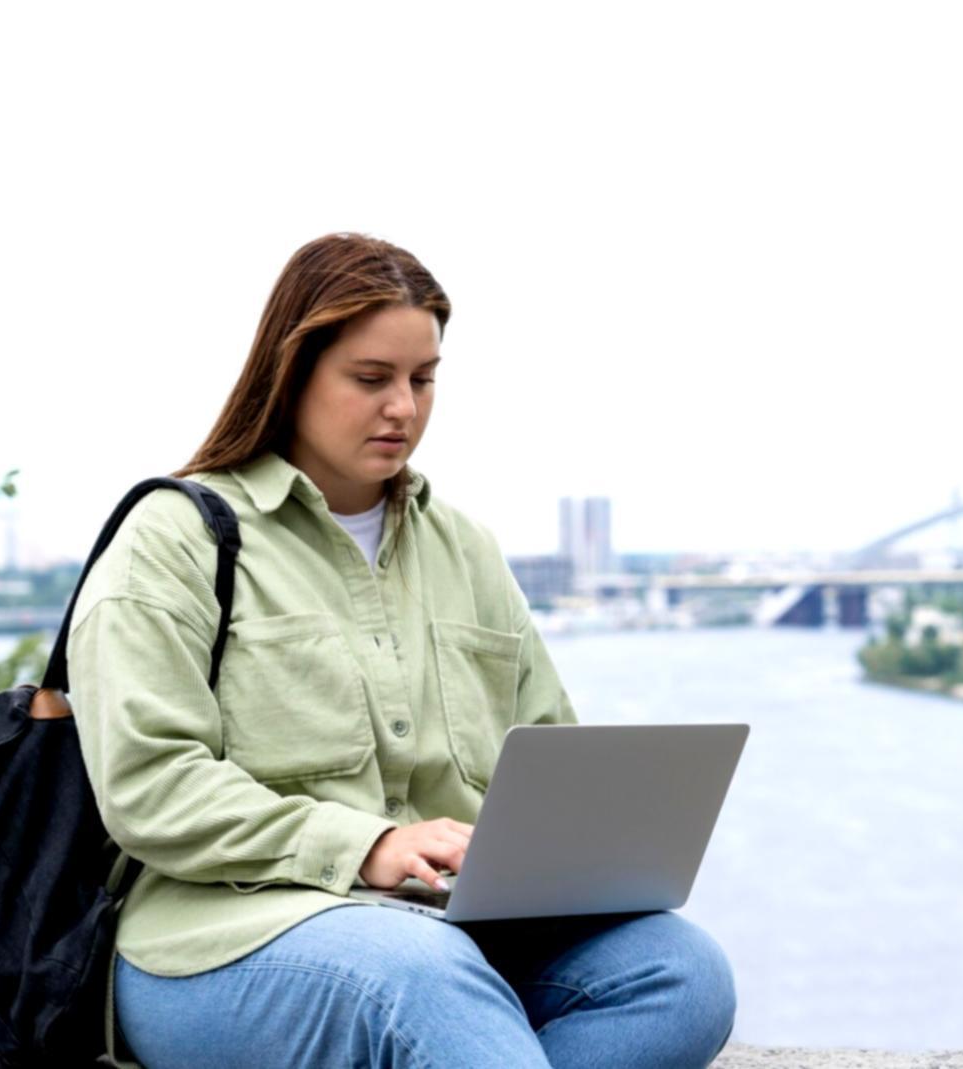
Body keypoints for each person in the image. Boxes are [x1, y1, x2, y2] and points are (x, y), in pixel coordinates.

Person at [67, 233, 737, 1068]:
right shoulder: (172, 541)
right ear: (293, 370)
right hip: (222, 939)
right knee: (426, 984)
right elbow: (148, 786)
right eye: (371, 378)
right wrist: (365, 846)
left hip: (445, 928)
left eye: (423, 379)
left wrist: (575, 851)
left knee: (681, 972)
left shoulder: (467, 549)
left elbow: (549, 754)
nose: (404, 409)